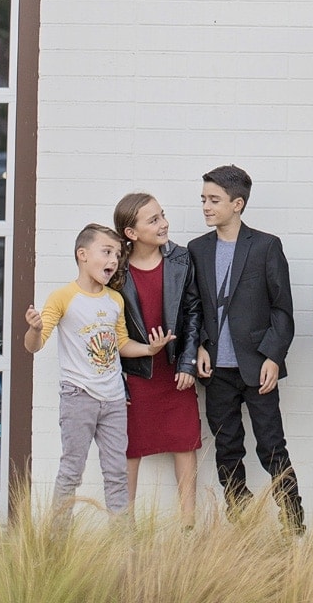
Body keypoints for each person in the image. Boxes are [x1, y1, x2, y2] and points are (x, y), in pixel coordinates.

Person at [187, 164, 305, 533]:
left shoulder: (266, 246)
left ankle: (294, 523)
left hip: (257, 366)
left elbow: (282, 309)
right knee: (227, 450)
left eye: (214, 200)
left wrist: (273, 355)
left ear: (237, 204)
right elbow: (194, 306)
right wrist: (203, 346)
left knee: (272, 447)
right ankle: (242, 522)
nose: (205, 206)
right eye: (203, 199)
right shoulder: (197, 249)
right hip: (216, 372)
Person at [24, 223, 169, 515]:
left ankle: (123, 547)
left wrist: (150, 350)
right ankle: (57, 544)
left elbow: (122, 343)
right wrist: (34, 329)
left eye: (117, 254)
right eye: (106, 252)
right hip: (78, 396)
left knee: (117, 474)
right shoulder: (63, 297)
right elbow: (34, 346)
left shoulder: (115, 299)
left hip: (114, 399)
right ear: (83, 255)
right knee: (71, 473)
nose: (114, 260)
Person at [113, 192, 203, 525]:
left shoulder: (181, 258)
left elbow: (194, 310)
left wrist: (188, 361)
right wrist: (114, 375)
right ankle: (126, 526)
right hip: (134, 372)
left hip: (174, 368)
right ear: (131, 233)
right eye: (153, 220)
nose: (163, 223)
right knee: (130, 447)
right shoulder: (116, 267)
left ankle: (188, 526)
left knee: (185, 441)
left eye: (162, 215)